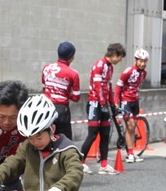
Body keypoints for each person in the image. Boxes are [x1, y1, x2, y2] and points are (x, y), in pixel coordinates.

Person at [79, 43, 127, 175]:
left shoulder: (110, 68)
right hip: (95, 103)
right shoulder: (99, 65)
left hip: (104, 104)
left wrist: (112, 104)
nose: (120, 60)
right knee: (93, 134)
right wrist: (102, 103)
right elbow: (98, 87)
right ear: (115, 54)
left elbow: (109, 88)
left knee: (105, 134)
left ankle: (104, 164)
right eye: (120, 57)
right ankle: (80, 163)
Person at [115, 48, 149, 163]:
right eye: (140, 61)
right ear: (136, 60)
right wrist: (116, 101)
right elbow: (118, 86)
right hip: (126, 101)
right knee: (129, 126)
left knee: (133, 126)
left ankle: (132, 152)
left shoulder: (144, 73)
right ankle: (129, 153)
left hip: (135, 101)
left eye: (145, 61)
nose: (142, 63)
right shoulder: (128, 71)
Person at [42, 41, 81, 140]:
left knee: (47, 138)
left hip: (46, 107)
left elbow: (44, 87)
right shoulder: (73, 73)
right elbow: (76, 97)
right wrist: (66, 93)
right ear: (71, 57)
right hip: (61, 109)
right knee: (65, 141)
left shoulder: (46, 68)